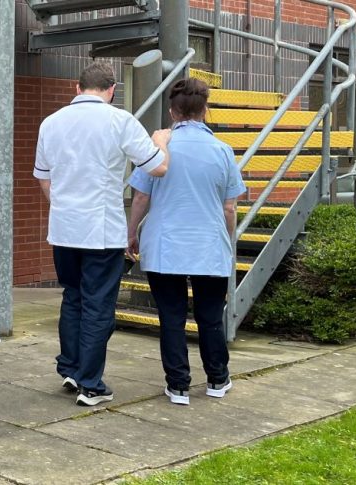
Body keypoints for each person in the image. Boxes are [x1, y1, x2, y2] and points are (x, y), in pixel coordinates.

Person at [34, 61, 172, 407]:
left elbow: (42, 176)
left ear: (77, 88)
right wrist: (162, 140)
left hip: (64, 228)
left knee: (73, 296)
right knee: (98, 305)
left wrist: (62, 204)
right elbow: (158, 166)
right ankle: (90, 383)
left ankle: (70, 367)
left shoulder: (51, 122)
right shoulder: (119, 120)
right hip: (102, 228)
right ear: (112, 90)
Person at [127, 78, 243, 406]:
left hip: (166, 245)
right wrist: (227, 238)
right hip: (209, 244)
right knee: (209, 316)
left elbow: (140, 197)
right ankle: (218, 379)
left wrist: (131, 233)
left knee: (172, 317)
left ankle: (177, 385)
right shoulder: (222, 151)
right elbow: (230, 206)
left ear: (172, 111)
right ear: (205, 110)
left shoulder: (159, 149)